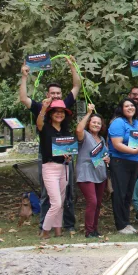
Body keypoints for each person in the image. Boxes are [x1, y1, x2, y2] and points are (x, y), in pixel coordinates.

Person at [19, 57, 80, 234]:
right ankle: (43, 227)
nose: (56, 96)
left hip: (65, 153)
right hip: (46, 155)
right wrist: (24, 77)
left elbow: (76, 86)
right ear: (47, 94)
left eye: (58, 94)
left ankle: (65, 226)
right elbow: (23, 98)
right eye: (52, 93)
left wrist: (72, 66)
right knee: (47, 194)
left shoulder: (64, 106)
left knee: (67, 192)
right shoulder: (40, 107)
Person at [107, 98, 138, 234]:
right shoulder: (118, 122)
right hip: (120, 162)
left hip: (134, 162)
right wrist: (135, 151)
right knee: (120, 193)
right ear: (121, 109)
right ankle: (120, 225)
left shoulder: (136, 123)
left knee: (128, 194)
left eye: (132, 105)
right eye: (126, 106)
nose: (130, 107)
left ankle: (126, 223)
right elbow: (117, 144)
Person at [35, 98, 74, 239]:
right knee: (56, 202)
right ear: (51, 114)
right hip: (50, 167)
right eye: (56, 112)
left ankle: (58, 230)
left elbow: (68, 148)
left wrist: (68, 156)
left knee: (61, 202)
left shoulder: (65, 130)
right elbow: (39, 123)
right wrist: (43, 108)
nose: (59, 114)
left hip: (64, 167)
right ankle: (45, 231)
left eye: (62, 112)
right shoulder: (45, 127)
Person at [75, 104, 109, 238]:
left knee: (98, 203)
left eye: (98, 123)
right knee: (92, 201)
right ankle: (88, 231)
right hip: (86, 172)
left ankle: (95, 229)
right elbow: (78, 129)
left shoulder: (102, 139)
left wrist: (107, 159)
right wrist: (89, 112)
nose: (96, 125)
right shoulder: (85, 136)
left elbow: (104, 155)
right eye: (93, 122)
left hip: (100, 173)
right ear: (89, 123)